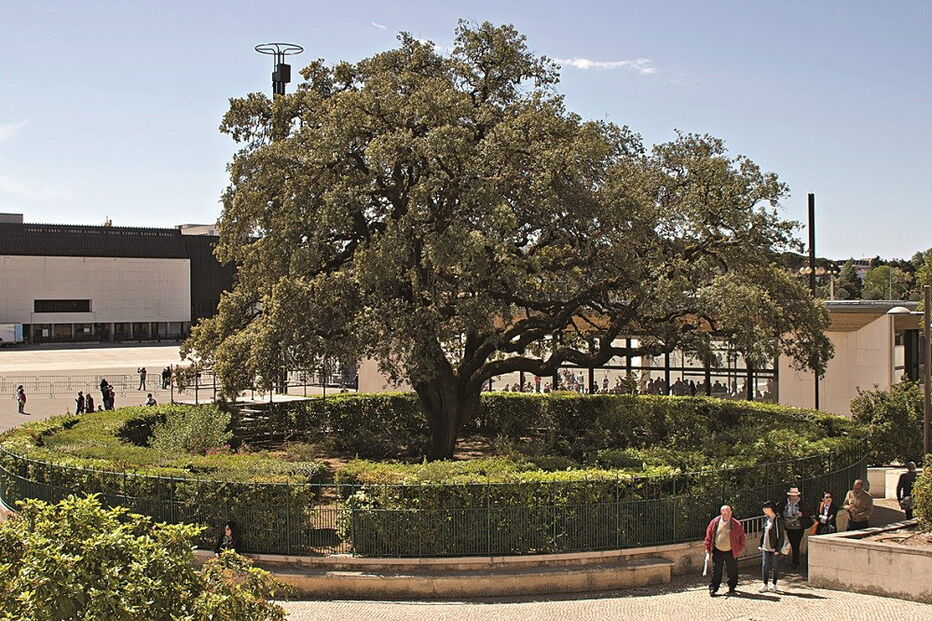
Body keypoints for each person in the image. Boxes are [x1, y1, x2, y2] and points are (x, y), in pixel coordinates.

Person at [703, 505, 746, 596]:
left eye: (730, 512)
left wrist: (739, 548)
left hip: (731, 550)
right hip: (718, 550)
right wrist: (707, 548)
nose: (729, 514)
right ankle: (713, 588)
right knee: (716, 570)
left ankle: (732, 587)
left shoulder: (736, 524)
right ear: (722, 513)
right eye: (727, 512)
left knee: (732, 570)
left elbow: (742, 537)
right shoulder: (715, 522)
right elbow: (709, 536)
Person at [776, 486, 812, 569]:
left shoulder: (802, 503)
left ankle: (795, 562)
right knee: (792, 543)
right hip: (788, 526)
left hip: (799, 527)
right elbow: (779, 510)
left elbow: (809, 512)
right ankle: (794, 561)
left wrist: (801, 514)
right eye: (792, 496)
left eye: (795, 496)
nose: (793, 497)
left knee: (796, 544)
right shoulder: (785, 502)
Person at [758, 500, 786, 593]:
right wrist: (761, 544)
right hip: (766, 546)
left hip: (774, 546)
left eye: (765, 508)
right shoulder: (766, 518)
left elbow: (780, 535)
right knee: (765, 565)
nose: (764, 510)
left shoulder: (778, 519)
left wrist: (778, 548)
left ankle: (774, 584)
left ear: (770, 509)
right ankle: (764, 583)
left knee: (775, 566)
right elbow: (763, 532)